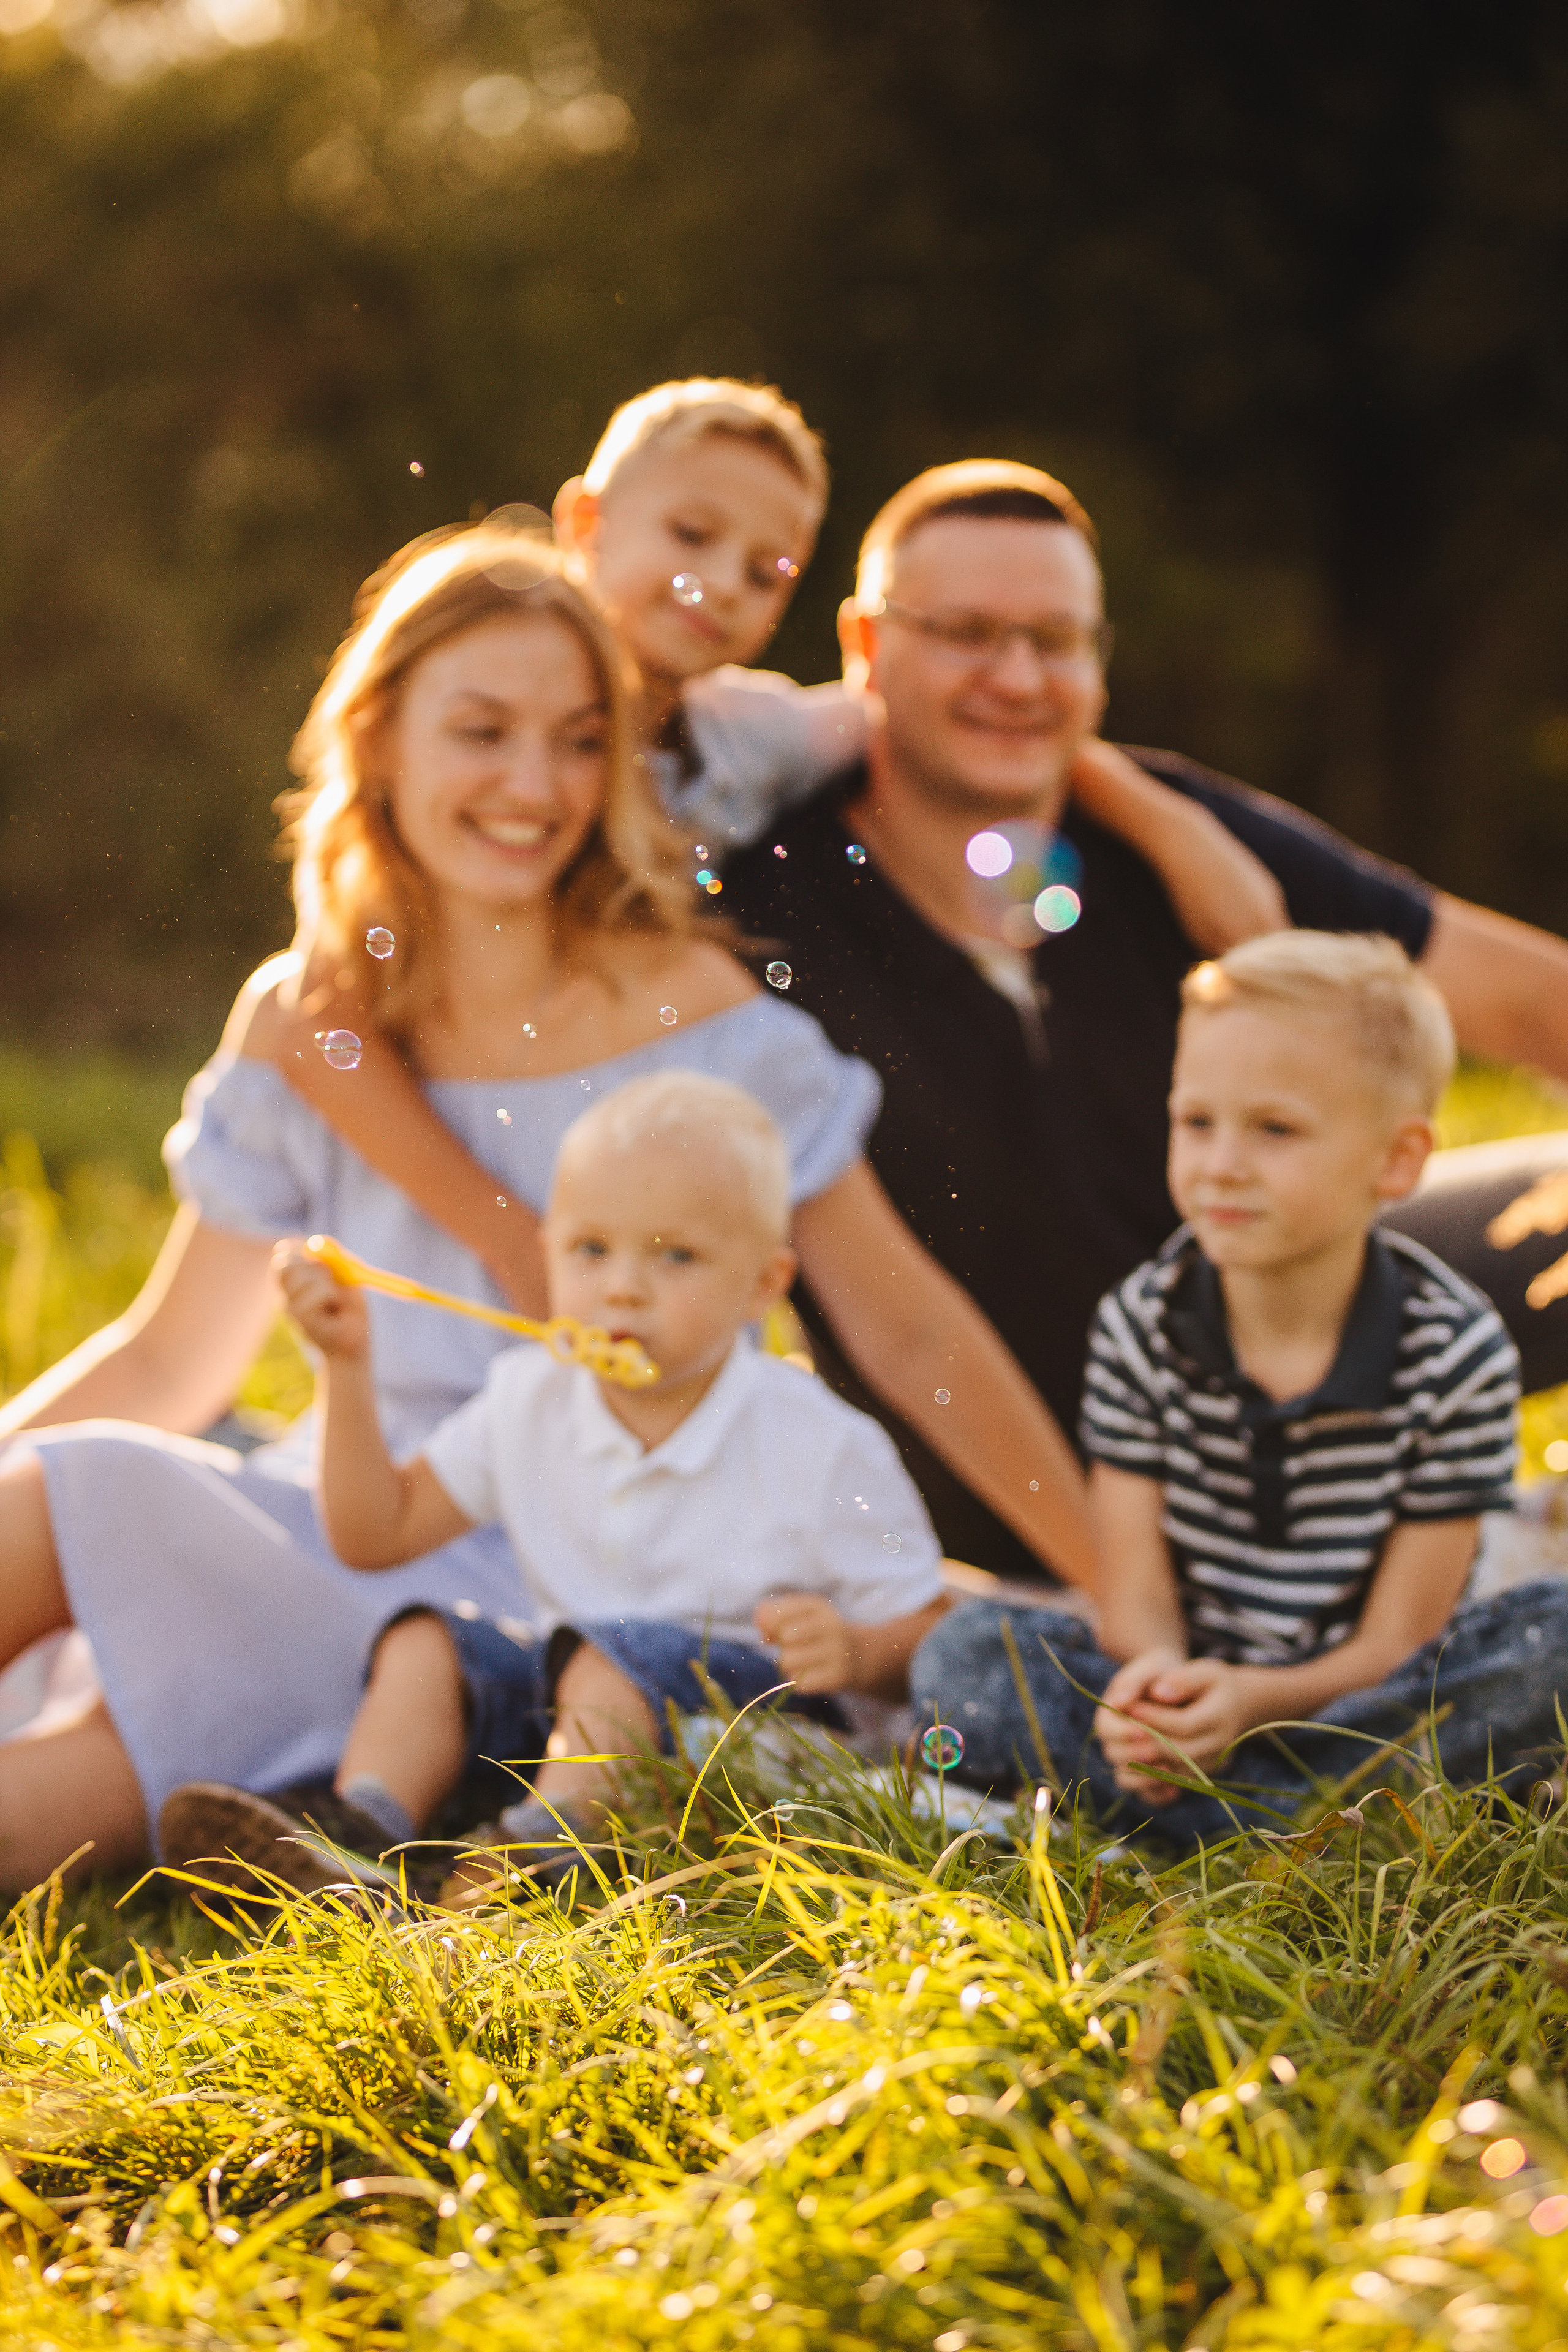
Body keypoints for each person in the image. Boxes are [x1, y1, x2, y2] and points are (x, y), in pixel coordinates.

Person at [0, 526, 1093, 1890]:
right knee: (61, 1488)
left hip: (563, 1583)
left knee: (50, 1799)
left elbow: (907, 1331)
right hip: (343, 1513)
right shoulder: (322, 1017)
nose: (536, 784)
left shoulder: (707, 1025)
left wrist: (1115, 1588)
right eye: (483, 731)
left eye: (581, 740)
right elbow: (171, 1359)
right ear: (381, 740)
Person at [265, 382, 1289, 1322]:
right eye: (690, 535)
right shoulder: (473, 713)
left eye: (766, 571)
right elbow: (315, 1013)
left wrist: (1165, 820)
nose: (719, 583)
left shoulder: (752, 734)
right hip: (469, 1121)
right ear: (587, 525)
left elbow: (943, 721)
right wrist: (508, 1245)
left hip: (637, 1116)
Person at [712, 459, 1568, 1579]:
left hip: (1293, 1335)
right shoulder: (765, 905)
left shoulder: (1171, 839)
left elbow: (1536, 1001)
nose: (1018, 677)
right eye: (967, 632)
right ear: (865, 644)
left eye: (1057, 640)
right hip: (1020, 1495)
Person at [160, 1074, 950, 1892]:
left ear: (762, 1285)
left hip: (752, 1746)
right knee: (431, 1643)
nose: (622, 1286)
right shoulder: (529, 1399)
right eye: (590, 1250)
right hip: (573, 1728)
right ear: (548, 1256)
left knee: (612, 1663)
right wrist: (347, 1366)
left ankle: (513, 1868)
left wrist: (857, 1652)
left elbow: (928, 1628)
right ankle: (356, 1840)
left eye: (674, 1255)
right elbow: (374, 1535)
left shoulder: (821, 1443)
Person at [911, 932, 1568, 1842]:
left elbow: (1399, 1641)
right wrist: (1159, 1689)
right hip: (1198, 1684)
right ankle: (1307, 1818)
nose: (1221, 1162)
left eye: (1275, 1130)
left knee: (1555, 1639)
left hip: (1363, 1698)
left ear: (1397, 1160)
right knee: (969, 1654)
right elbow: (1133, 1591)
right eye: (1197, 1122)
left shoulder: (1454, 1353)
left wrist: (1252, 1704)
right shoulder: (1144, 1324)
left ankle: (1193, 1816)